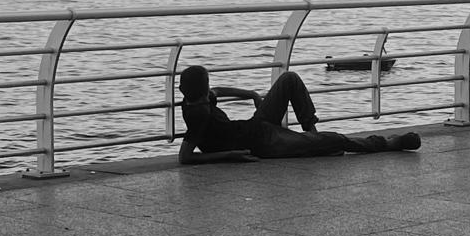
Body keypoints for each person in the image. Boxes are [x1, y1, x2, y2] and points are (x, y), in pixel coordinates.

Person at [177, 65, 421, 163]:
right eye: (207, 85)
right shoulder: (198, 114)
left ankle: (312, 135)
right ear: (200, 90)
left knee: (289, 79)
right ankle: (388, 143)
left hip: (256, 126)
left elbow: (219, 90)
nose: (211, 89)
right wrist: (231, 155)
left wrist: (251, 94)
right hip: (262, 143)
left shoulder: (195, 98)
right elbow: (185, 157)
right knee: (336, 139)